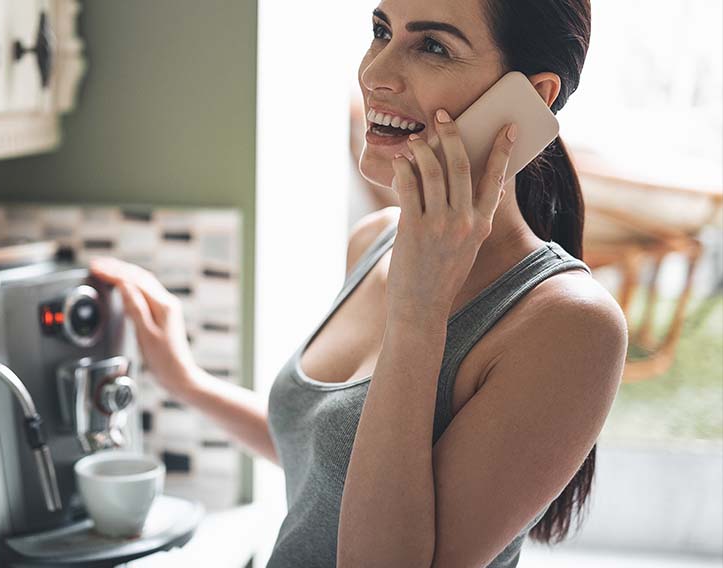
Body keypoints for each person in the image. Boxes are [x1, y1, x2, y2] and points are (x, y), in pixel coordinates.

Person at [88, 0, 628, 565]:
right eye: (381, 31)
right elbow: (329, 462)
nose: (374, 73)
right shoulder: (374, 241)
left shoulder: (570, 326)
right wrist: (187, 381)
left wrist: (419, 310)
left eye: (434, 46)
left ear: (532, 98)